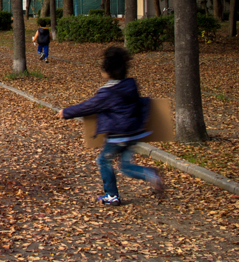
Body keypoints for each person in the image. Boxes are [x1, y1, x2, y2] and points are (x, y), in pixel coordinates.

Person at [58, 46, 165, 206]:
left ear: (107, 72)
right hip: (134, 133)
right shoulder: (129, 86)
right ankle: (150, 174)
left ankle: (111, 195)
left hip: (118, 136)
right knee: (125, 166)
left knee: (103, 161)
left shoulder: (108, 93)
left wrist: (66, 112)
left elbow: (89, 106)